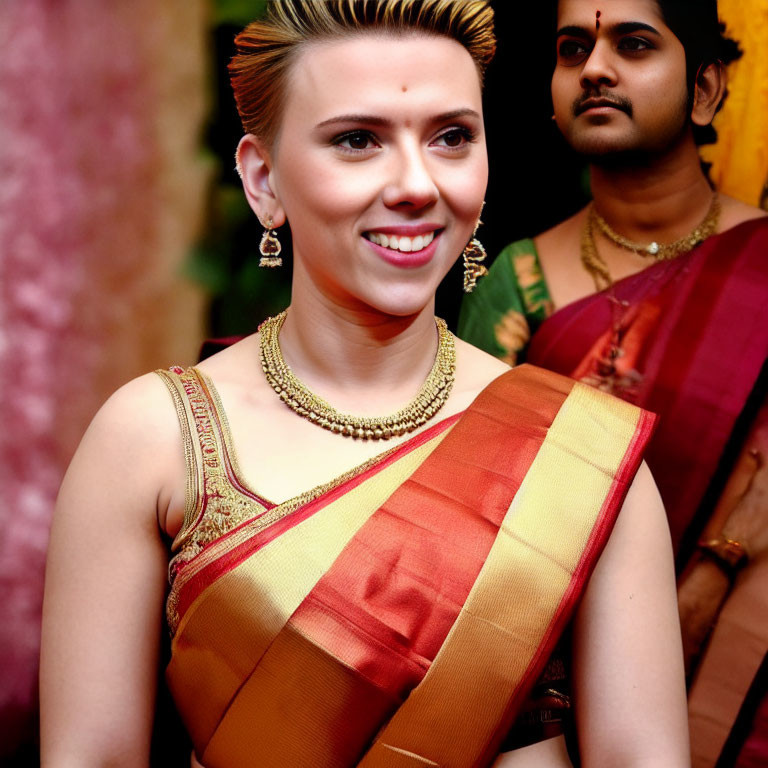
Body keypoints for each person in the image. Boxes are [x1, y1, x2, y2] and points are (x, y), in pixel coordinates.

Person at [39, 2, 689, 766]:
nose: (417, 185)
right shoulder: (151, 439)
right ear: (262, 179)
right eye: (357, 140)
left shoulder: (582, 457)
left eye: (452, 138)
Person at [459, 1, 768, 765]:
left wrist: (718, 567)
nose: (595, 68)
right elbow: (473, 523)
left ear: (703, 89)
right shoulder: (515, 284)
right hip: (567, 697)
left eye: (633, 44)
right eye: (572, 50)